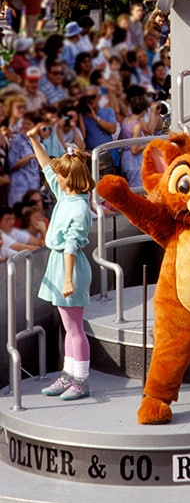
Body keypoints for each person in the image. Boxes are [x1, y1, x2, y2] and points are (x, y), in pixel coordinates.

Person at [26, 126, 95, 401]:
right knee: (68, 326)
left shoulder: (78, 207)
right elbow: (46, 166)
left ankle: (81, 379)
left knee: (75, 327)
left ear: (70, 178)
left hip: (71, 266)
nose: (56, 176)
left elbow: (70, 246)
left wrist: (68, 279)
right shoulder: (66, 194)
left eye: (61, 173)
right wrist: (33, 140)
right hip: (59, 263)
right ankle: (69, 374)